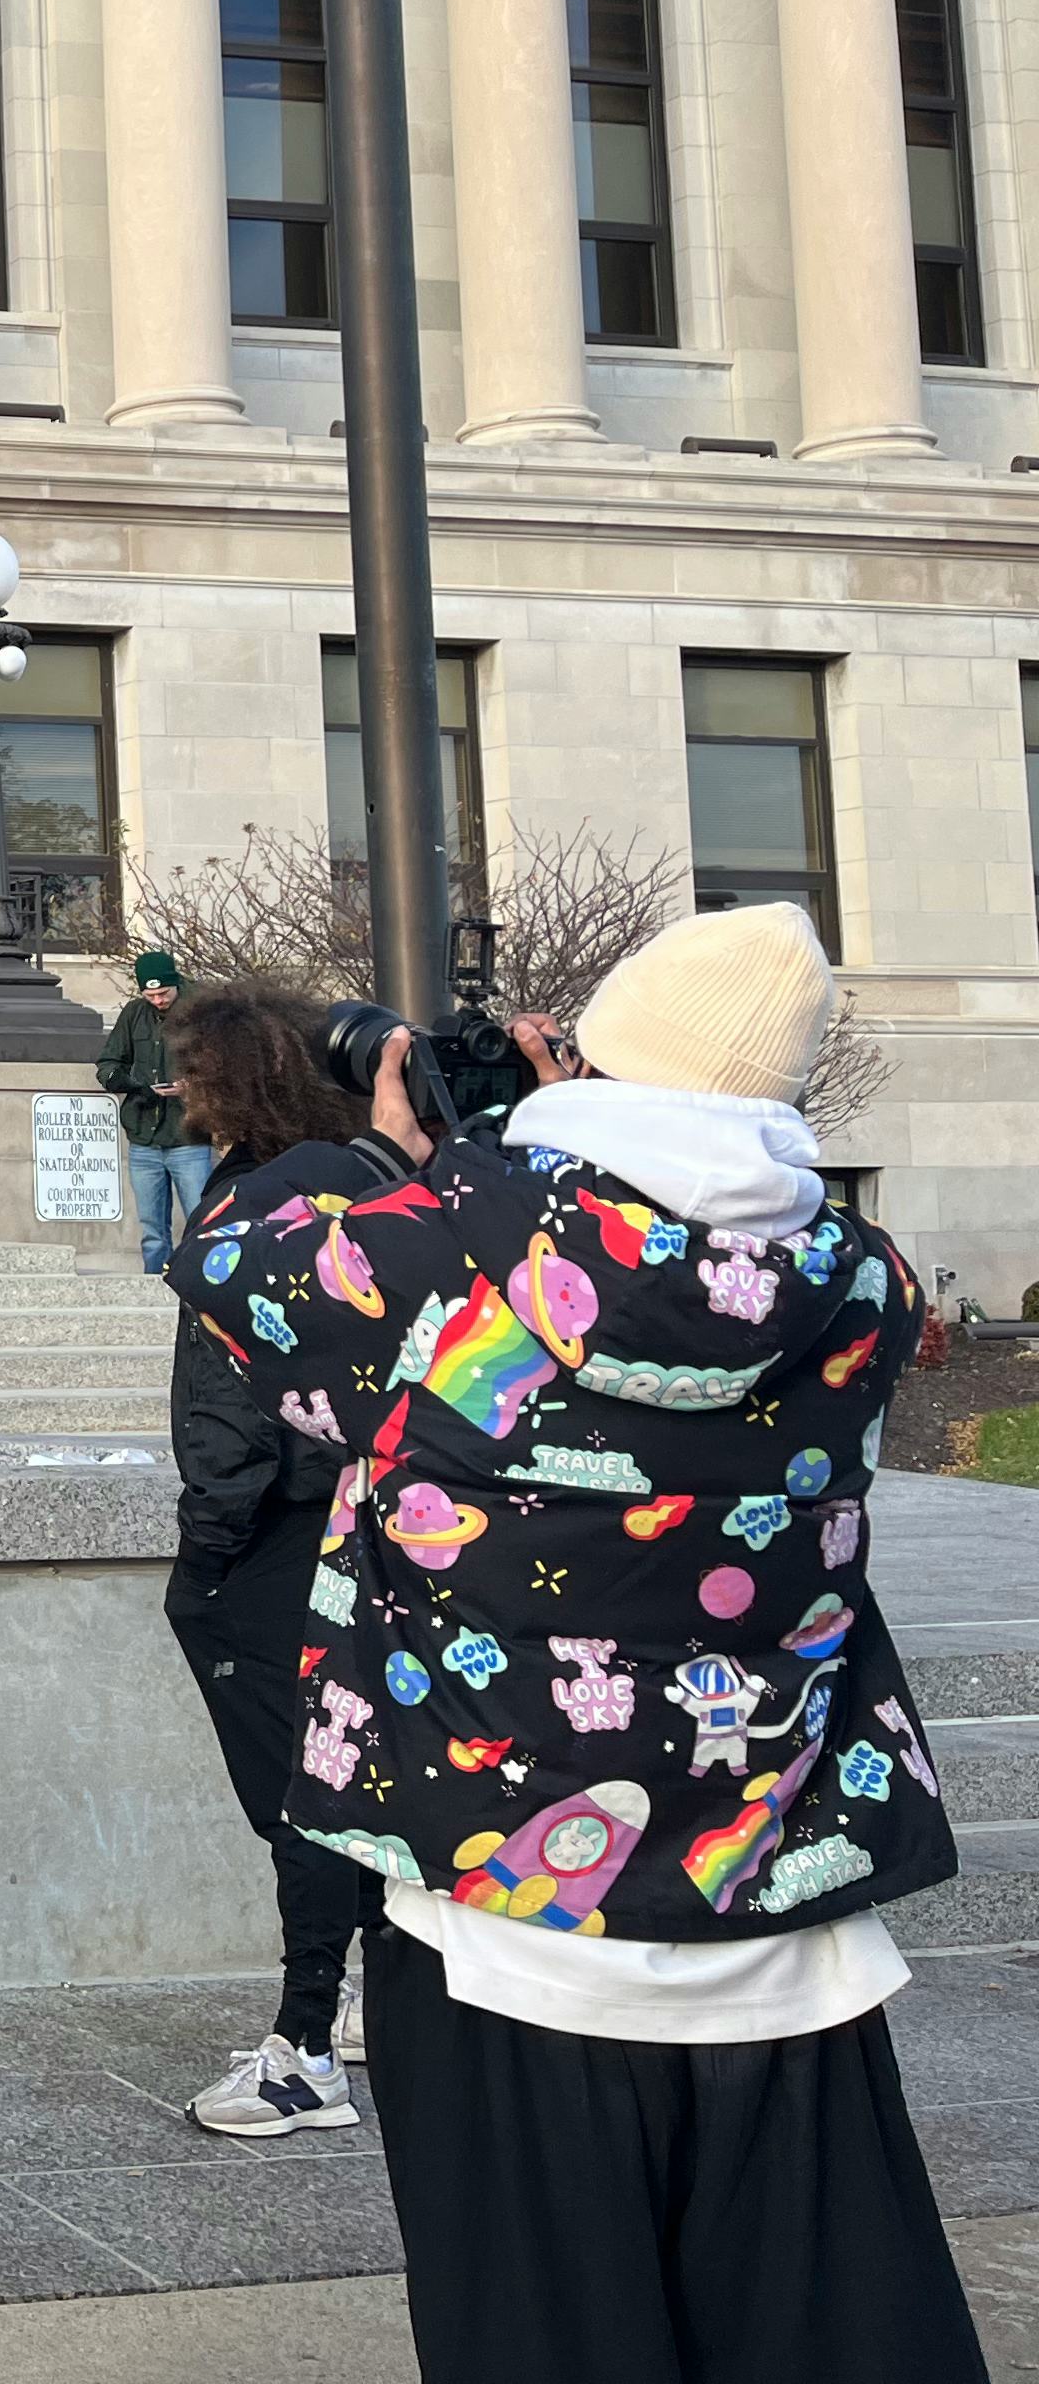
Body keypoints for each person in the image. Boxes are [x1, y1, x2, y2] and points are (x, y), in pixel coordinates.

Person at [168, 903, 985, 2384]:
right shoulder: (865, 1285)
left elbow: (230, 1262)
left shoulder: (441, 1263)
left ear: (591, 1071)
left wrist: (426, 1137)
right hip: (785, 1922)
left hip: (500, 1927)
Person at [155, 989, 382, 2136]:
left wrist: (202, 1560)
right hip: (377, 1527)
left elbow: (228, 1412)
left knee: (302, 1797)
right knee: (357, 1777)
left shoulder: (251, 1210)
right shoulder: (377, 1189)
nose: (176, 1087)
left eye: (193, 1069)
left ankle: (303, 2049)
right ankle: (360, 2009)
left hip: (277, 1538)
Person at [98, 948, 211, 1268]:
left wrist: (193, 1085)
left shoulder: (199, 1013)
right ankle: (153, 1284)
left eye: (164, 993)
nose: (159, 1000)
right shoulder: (134, 1014)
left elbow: (223, 1064)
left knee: (200, 1219)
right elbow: (109, 1064)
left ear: (176, 984)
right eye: (151, 995)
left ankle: (198, 1281)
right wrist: (135, 1086)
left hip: (188, 1135)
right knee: (151, 1227)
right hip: (144, 1136)